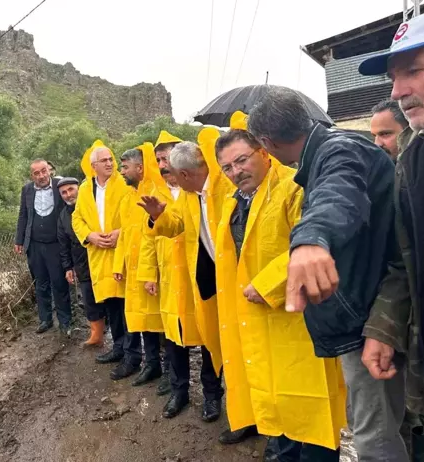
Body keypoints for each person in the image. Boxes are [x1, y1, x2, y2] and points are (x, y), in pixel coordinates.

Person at [248, 87, 404, 461]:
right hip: (371, 311)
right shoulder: (328, 151)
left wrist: (310, 239)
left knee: (373, 439)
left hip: (368, 319)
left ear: (266, 143)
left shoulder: (337, 151)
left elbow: (337, 195)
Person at [214, 128, 345, 461]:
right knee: (275, 405)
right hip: (259, 322)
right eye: (227, 168)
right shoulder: (234, 204)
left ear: (263, 152)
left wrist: (266, 283)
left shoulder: (293, 187)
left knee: (311, 414)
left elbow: (311, 240)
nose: (235, 172)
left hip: (298, 318)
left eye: (241, 160)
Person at [359, 12, 424, 461]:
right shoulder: (413, 159)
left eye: (414, 71)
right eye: (394, 77)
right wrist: (383, 329)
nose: (398, 91)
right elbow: (406, 263)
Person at [138, 140, 235, 439]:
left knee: (211, 339)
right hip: (177, 282)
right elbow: (171, 226)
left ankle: (212, 396)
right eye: (159, 160)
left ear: (185, 172)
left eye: (167, 161)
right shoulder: (179, 195)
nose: (163, 167)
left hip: (213, 282)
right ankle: (179, 392)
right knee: (176, 340)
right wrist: (157, 216)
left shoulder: (225, 189)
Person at [72, 141, 142, 379]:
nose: (110, 164)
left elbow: (137, 215)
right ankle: (119, 348)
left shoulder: (123, 185)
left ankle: (133, 355)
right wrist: (90, 236)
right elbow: (77, 219)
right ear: (93, 166)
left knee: (127, 306)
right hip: (99, 256)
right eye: (105, 161)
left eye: (111, 159)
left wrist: (120, 233)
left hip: (121, 254)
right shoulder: (84, 189)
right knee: (111, 305)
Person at [113, 146, 166, 386]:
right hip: (133, 270)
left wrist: (151, 271)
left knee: (161, 322)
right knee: (143, 320)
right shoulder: (129, 197)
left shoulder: (155, 193)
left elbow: (157, 235)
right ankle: (152, 364)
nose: (121, 171)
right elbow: (124, 235)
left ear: (140, 167)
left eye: (125, 167)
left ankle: (169, 371)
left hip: (153, 270)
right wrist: (118, 264)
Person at [15, 159, 72, 336]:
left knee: (59, 282)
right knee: (40, 283)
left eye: (43, 171)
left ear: (50, 171)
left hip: (56, 243)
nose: (41, 176)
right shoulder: (27, 190)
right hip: (34, 244)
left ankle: (65, 321)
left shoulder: (59, 186)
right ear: (32, 175)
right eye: (36, 173)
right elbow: (23, 215)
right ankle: (45, 319)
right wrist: (19, 240)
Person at [57, 176, 106, 347]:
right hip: (81, 263)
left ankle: (121, 340)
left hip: (103, 258)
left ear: (79, 188)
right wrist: (68, 267)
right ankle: (97, 335)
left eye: (71, 189)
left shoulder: (94, 204)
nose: (68, 194)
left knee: (111, 300)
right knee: (89, 300)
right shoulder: (63, 216)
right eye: (63, 192)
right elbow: (63, 244)